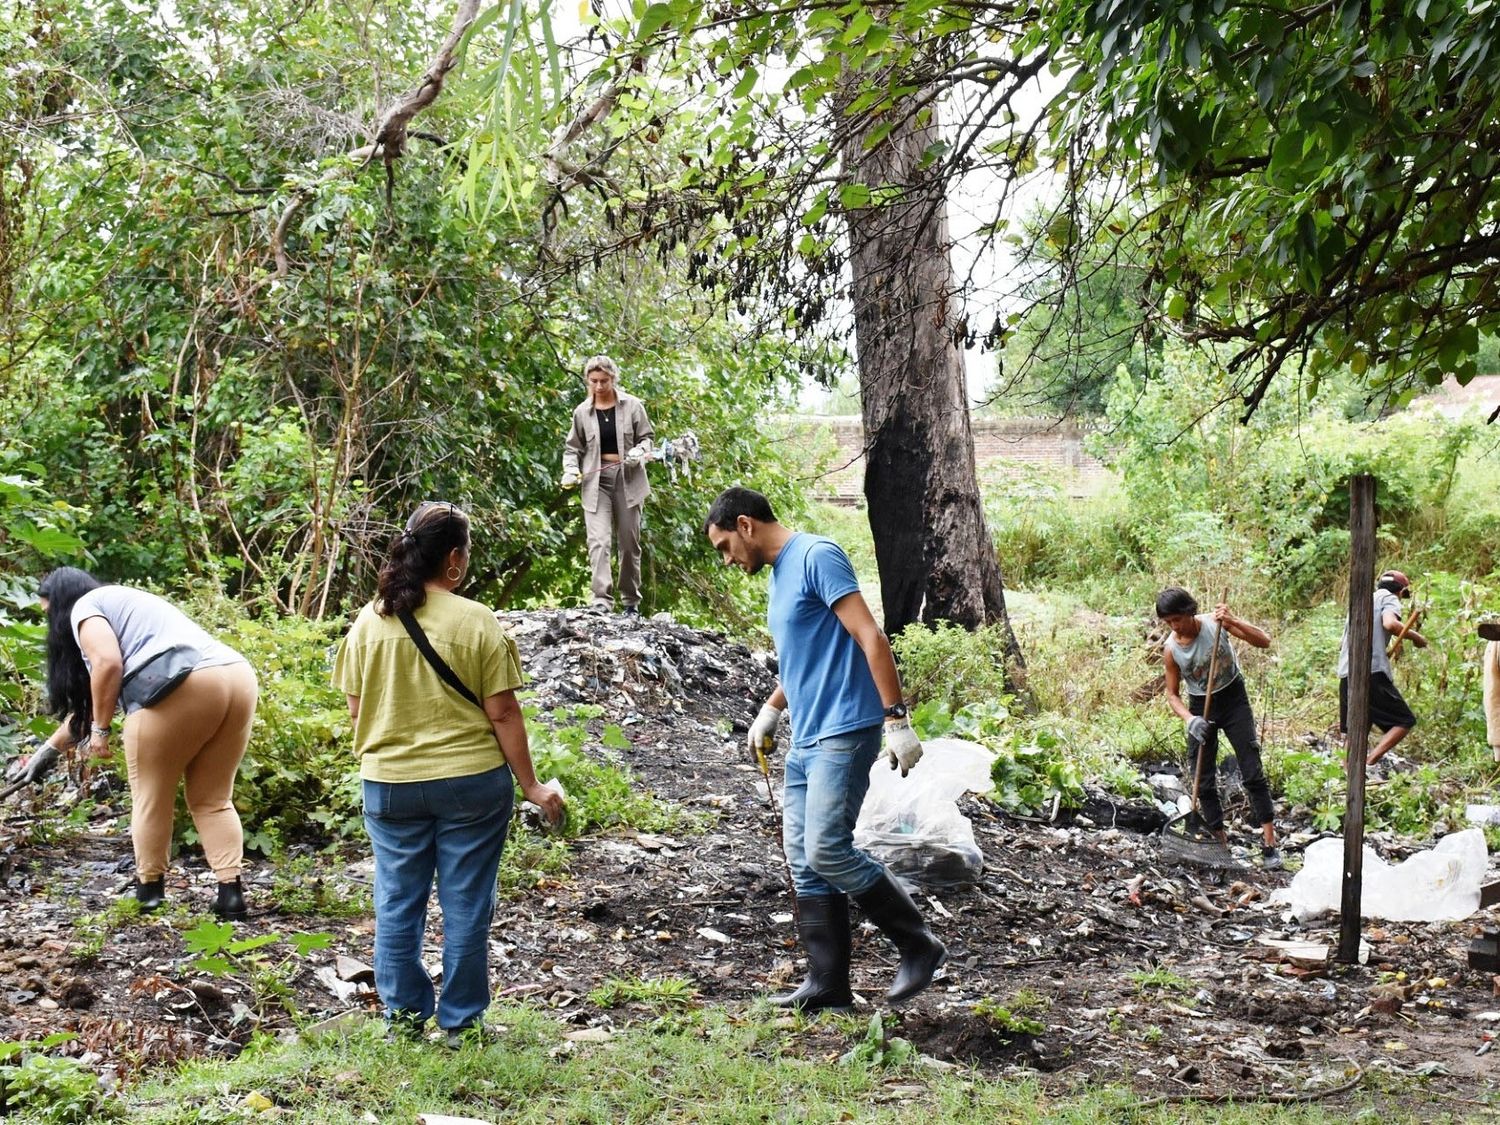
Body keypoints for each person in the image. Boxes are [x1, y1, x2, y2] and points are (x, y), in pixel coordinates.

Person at [704, 486, 945, 1013]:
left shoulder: (816, 556)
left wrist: (897, 720)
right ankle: (828, 986)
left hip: (844, 727)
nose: (726, 559)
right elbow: (806, 658)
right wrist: (771, 710)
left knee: (827, 849)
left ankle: (918, 942)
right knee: (804, 860)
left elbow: (869, 636)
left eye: (724, 546)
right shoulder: (777, 577)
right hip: (806, 735)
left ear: (745, 525)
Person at [332, 501, 563, 1046]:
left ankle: (405, 1021)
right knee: (465, 904)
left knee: (396, 902)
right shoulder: (476, 621)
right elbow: (503, 712)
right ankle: (460, 1023)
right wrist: (531, 786)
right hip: (470, 785)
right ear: (454, 560)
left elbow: (356, 708)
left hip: (389, 785)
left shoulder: (369, 620)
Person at [37, 567, 259, 918]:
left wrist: (102, 731)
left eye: (47, 611)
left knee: (152, 798)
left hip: (185, 686)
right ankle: (230, 894)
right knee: (213, 799)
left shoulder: (85, 608)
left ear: (61, 602)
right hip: (236, 676)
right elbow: (92, 702)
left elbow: (108, 665)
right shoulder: (126, 602)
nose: (49, 621)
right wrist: (47, 752)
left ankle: (150, 893)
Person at [1157, 587, 1282, 870]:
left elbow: (1264, 641)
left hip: (1234, 698)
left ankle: (1270, 845)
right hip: (1202, 706)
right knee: (1203, 779)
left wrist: (1234, 621)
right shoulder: (1172, 649)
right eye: (1169, 622)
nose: (1175, 627)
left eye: (1179, 619)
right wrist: (1191, 719)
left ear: (1190, 612)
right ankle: (1221, 847)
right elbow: (1173, 695)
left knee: (1251, 769)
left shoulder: (1216, 624)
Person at [560, 355, 655, 615]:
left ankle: (630, 602)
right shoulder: (581, 412)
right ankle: (601, 601)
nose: (599, 386)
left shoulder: (633, 406)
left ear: (613, 379)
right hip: (595, 483)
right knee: (599, 541)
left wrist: (639, 451)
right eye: (594, 381)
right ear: (587, 382)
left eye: (604, 381)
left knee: (628, 542)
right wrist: (570, 470)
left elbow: (648, 439)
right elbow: (572, 449)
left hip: (628, 480)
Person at [1338, 569, 1427, 767]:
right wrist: (1417, 638)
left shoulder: (1361, 601)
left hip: (1346, 671)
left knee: (1356, 728)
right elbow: (1390, 624)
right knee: (1404, 721)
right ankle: (1371, 761)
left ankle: (1347, 775)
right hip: (1371, 671)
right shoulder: (1389, 598)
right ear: (1401, 591)